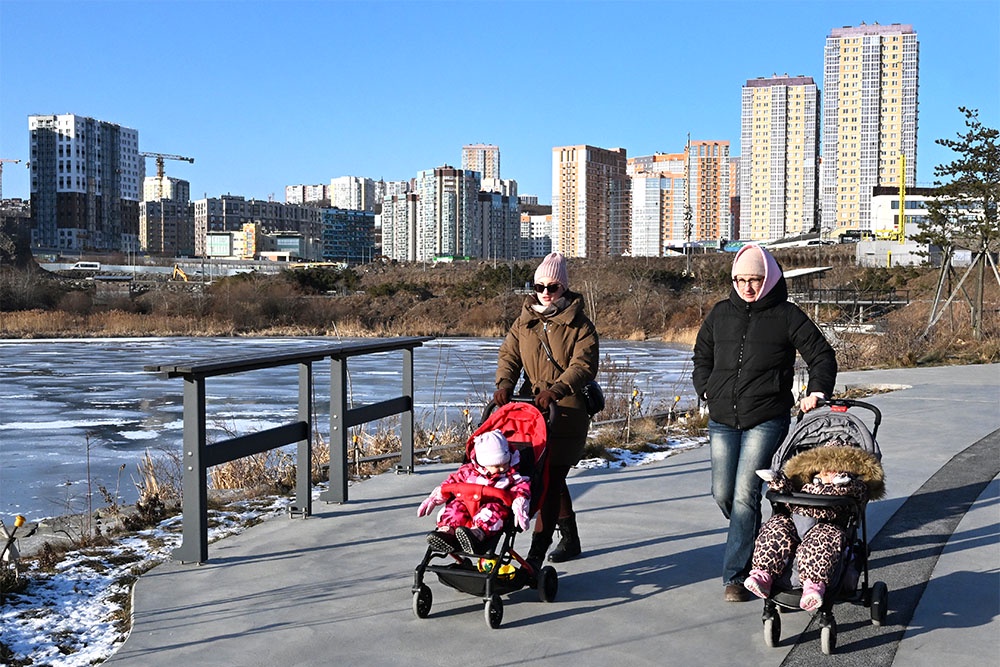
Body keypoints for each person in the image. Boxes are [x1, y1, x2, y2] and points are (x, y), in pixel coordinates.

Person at [692, 244, 837, 602]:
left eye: (755, 280)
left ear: (769, 279)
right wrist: (705, 388)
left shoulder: (788, 316)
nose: (747, 287)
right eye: (740, 280)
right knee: (723, 494)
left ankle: (737, 576)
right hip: (722, 418)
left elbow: (822, 355)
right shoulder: (720, 313)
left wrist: (817, 390)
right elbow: (702, 355)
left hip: (767, 417)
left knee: (744, 494)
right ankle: (762, 538)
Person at [492, 252, 599, 568]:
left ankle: (539, 548)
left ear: (564, 288)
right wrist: (504, 384)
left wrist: (557, 389)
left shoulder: (580, 326)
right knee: (542, 473)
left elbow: (583, 365)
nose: (545, 293)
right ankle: (570, 537)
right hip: (530, 408)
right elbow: (509, 356)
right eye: (539, 286)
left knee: (551, 477)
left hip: (566, 409)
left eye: (552, 287)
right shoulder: (524, 322)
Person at [744, 441, 885, 610]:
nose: (830, 472)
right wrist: (777, 481)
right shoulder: (806, 484)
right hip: (796, 523)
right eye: (826, 468)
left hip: (825, 526)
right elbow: (788, 490)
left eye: (836, 469)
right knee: (775, 526)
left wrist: (844, 484)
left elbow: (860, 491)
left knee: (822, 541)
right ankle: (763, 574)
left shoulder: (850, 487)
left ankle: (813, 586)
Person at [417, 429, 531, 554]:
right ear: (483, 464)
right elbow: (451, 482)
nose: (502, 468)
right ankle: (447, 532)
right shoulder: (467, 472)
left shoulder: (511, 476)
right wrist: (436, 496)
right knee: (454, 508)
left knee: (492, 512)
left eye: (505, 463)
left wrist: (520, 503)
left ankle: (476, 534)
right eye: (497, 466)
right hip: (466, 502)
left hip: (492, 505)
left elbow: (521, 489)